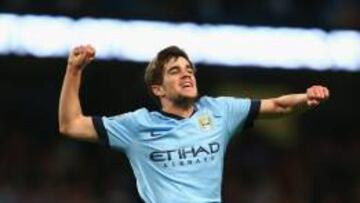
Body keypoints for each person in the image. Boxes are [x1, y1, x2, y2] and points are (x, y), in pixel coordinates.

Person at [59, 44, 330, 203]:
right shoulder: (137, 125)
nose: (187, 75)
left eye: (189, 70)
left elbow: (279, 105)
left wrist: (307, 98)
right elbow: (70, 124)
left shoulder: (219, 110)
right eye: (175, 71)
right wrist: (74, 70)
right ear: (158, 90)